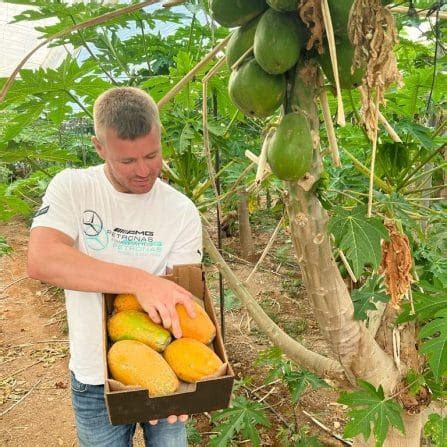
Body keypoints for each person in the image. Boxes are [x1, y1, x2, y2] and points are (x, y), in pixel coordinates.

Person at [27, 87, 203, 446]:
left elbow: (186, 300)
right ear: (99, 147)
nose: (143, 171)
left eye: (152, 155)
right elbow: (42, 258)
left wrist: (186, 383)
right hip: (94, 379)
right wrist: (140, 281)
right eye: (127, 161)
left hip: (166, 369)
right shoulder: (74, 188)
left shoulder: (181, 210)